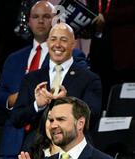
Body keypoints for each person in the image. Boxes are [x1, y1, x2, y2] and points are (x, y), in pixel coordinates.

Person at [0, 1, 87, 159]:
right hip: (13, 143)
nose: (41, 21)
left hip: (47, 141)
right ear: (28, 21)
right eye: (35, 17)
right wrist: (17, 99)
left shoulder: (73, 56)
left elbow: (78, 88)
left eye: (46, 16)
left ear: (55, 21)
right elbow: (0, 95)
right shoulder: (14, 59)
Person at [9, 22, 102, 152]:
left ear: (73, 44)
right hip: (36, 150)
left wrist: (67, 102)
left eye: (63, 40)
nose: (57, 45)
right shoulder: (32, 78)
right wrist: (38, 105)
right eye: (53, 39)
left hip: (74, 149)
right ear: (47, 43)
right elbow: (16, 119)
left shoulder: (89, 79)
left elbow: (91, 117)